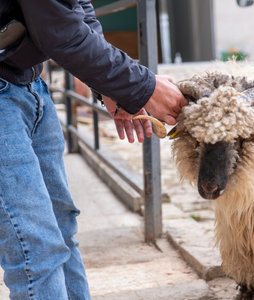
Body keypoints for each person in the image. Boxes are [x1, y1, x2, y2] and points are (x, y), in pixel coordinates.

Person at [0, 0, 187, 299]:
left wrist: (109, 85)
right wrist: (143, 86)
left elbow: (79, 5)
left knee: (61, 230)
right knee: (33, 247)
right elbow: (58, 29)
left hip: (30, 83)